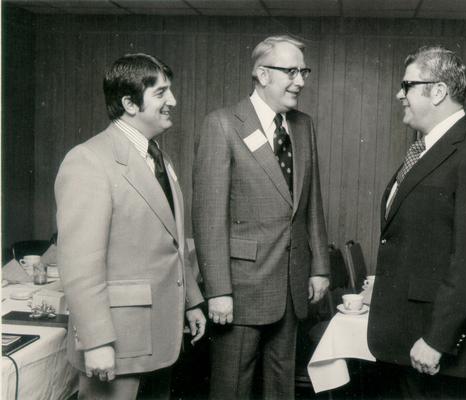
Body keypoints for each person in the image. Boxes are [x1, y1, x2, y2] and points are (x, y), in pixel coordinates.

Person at [55, 53, 206, 399]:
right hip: (118, 343)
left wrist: (191, 300)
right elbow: (79, 265)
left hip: (158, 338)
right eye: (161, 93)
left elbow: (170, 241)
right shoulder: (88, 160)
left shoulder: (158, 157)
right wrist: (96, 342)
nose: (173, 101)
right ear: (129, 103)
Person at [367, 46, 466, 398]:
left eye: (408, 85)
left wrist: (437, 339)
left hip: (433, 349)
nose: (398, 94)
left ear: (438, 91)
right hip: (401, 343)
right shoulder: (424, 149)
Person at [192, 35, 330, 400]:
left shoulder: (303, 126)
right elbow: (208, 217)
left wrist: (319, 265)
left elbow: (310, 201)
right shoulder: (222, 124)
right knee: (232, 387)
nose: (300, 81)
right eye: (291, 71)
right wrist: (218, 290)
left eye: (304, 71)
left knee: (280, 387)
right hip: (240, 289)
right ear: (262, 74)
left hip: (290, 285)